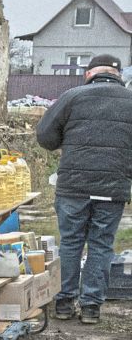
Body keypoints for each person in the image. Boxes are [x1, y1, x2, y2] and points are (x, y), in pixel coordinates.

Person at [37, 53, 132, 324]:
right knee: (102, 245)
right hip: (113, 187)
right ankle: (91, 307)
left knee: (70, 243)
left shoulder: (73, 96)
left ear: (89, 73)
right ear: (119, 75)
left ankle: (64, 303)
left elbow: (44, 136)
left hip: (73, 187)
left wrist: (67, 141)